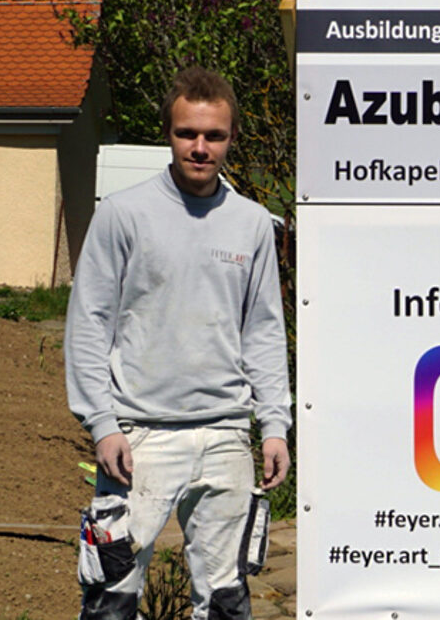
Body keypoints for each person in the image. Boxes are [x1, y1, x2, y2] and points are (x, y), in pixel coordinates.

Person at [65, 66, 291, 619]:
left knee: (225, 600)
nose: (199, 147)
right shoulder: (123, 214)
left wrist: (276, 425)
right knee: (110, 596)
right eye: (187, 133)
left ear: (231, 138)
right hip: (138, 438)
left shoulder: (254, 224)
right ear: (167, 132)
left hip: (226, 436)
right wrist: (102, 424)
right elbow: (88, 323)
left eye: (213, 136)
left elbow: (262, 330)